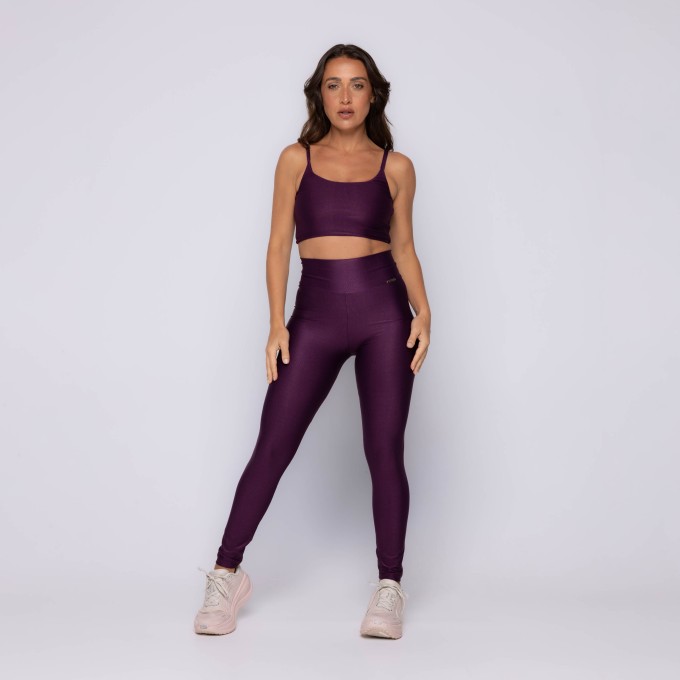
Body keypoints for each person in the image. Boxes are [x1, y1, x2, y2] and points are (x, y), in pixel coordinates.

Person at [194, 43, 431, 640]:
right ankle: (226, 574)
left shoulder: (397, 168)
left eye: (357, 84)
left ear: (373, 94)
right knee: (273, 444)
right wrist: (277, 323)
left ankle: (389, 587)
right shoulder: (295, 159)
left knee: (384, 450)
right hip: (315, 316)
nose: (345, 96)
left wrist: (425, 311)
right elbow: (279, 244)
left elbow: (404, 247)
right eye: (333, 84)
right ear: (319, 95)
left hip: (384, 315)